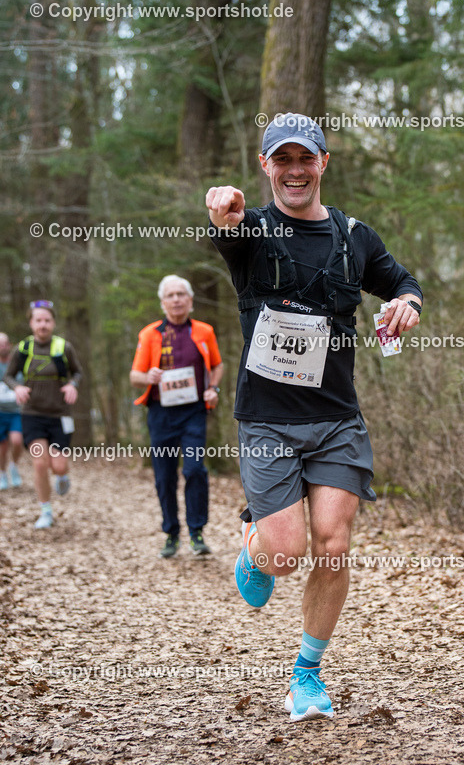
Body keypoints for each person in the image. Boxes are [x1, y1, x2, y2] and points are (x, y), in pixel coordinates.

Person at [206, 112, 423, 722]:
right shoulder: (252, 232)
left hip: (335, 418)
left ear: (323, 163)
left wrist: (406, 303)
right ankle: (255, 542)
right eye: (284, 160)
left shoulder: (356, 237)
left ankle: (307, 675)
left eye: (307, 159)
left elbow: (403, 281)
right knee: (284, 555)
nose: (296, 170)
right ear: (266, 166)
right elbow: (223, 224)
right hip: (269, 420)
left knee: (333, 545)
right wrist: (221, 208)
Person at [130, 275, 224, 559]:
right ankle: (171, 533)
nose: (176, 299)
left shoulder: (204, 331)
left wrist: (213, 388)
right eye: (170, 295)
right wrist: (149, 376)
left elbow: (217, 366)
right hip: (160, 414)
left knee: (195, 469)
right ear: (162, 302)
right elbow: (134, 376)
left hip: (193, 412)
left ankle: (196, 531)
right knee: (164, 476)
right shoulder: (150, 334)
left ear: (190, 300)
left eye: (181, 294)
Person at [3, 301, 83, 529]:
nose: (43, 324)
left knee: (58, 465)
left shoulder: (64, 347)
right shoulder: (23, 349)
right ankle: (46, 511)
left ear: (53, 323)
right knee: (40, 463)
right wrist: (17, 388)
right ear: (31, 323)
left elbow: (78, 372)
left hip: (60, 416)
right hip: (32, 414)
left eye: (47, 320)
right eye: (38, 320)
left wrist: (73, 385)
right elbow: (9, 375)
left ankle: (62, 476)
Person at [0, 332, 23, 490]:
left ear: (9, 345)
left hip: (16, 411)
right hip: (0, 412)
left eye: (4, 344)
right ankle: (2, 474)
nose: (2, 347)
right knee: (2, 447)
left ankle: (14, 466)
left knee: (17, 441)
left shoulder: (17, 363)